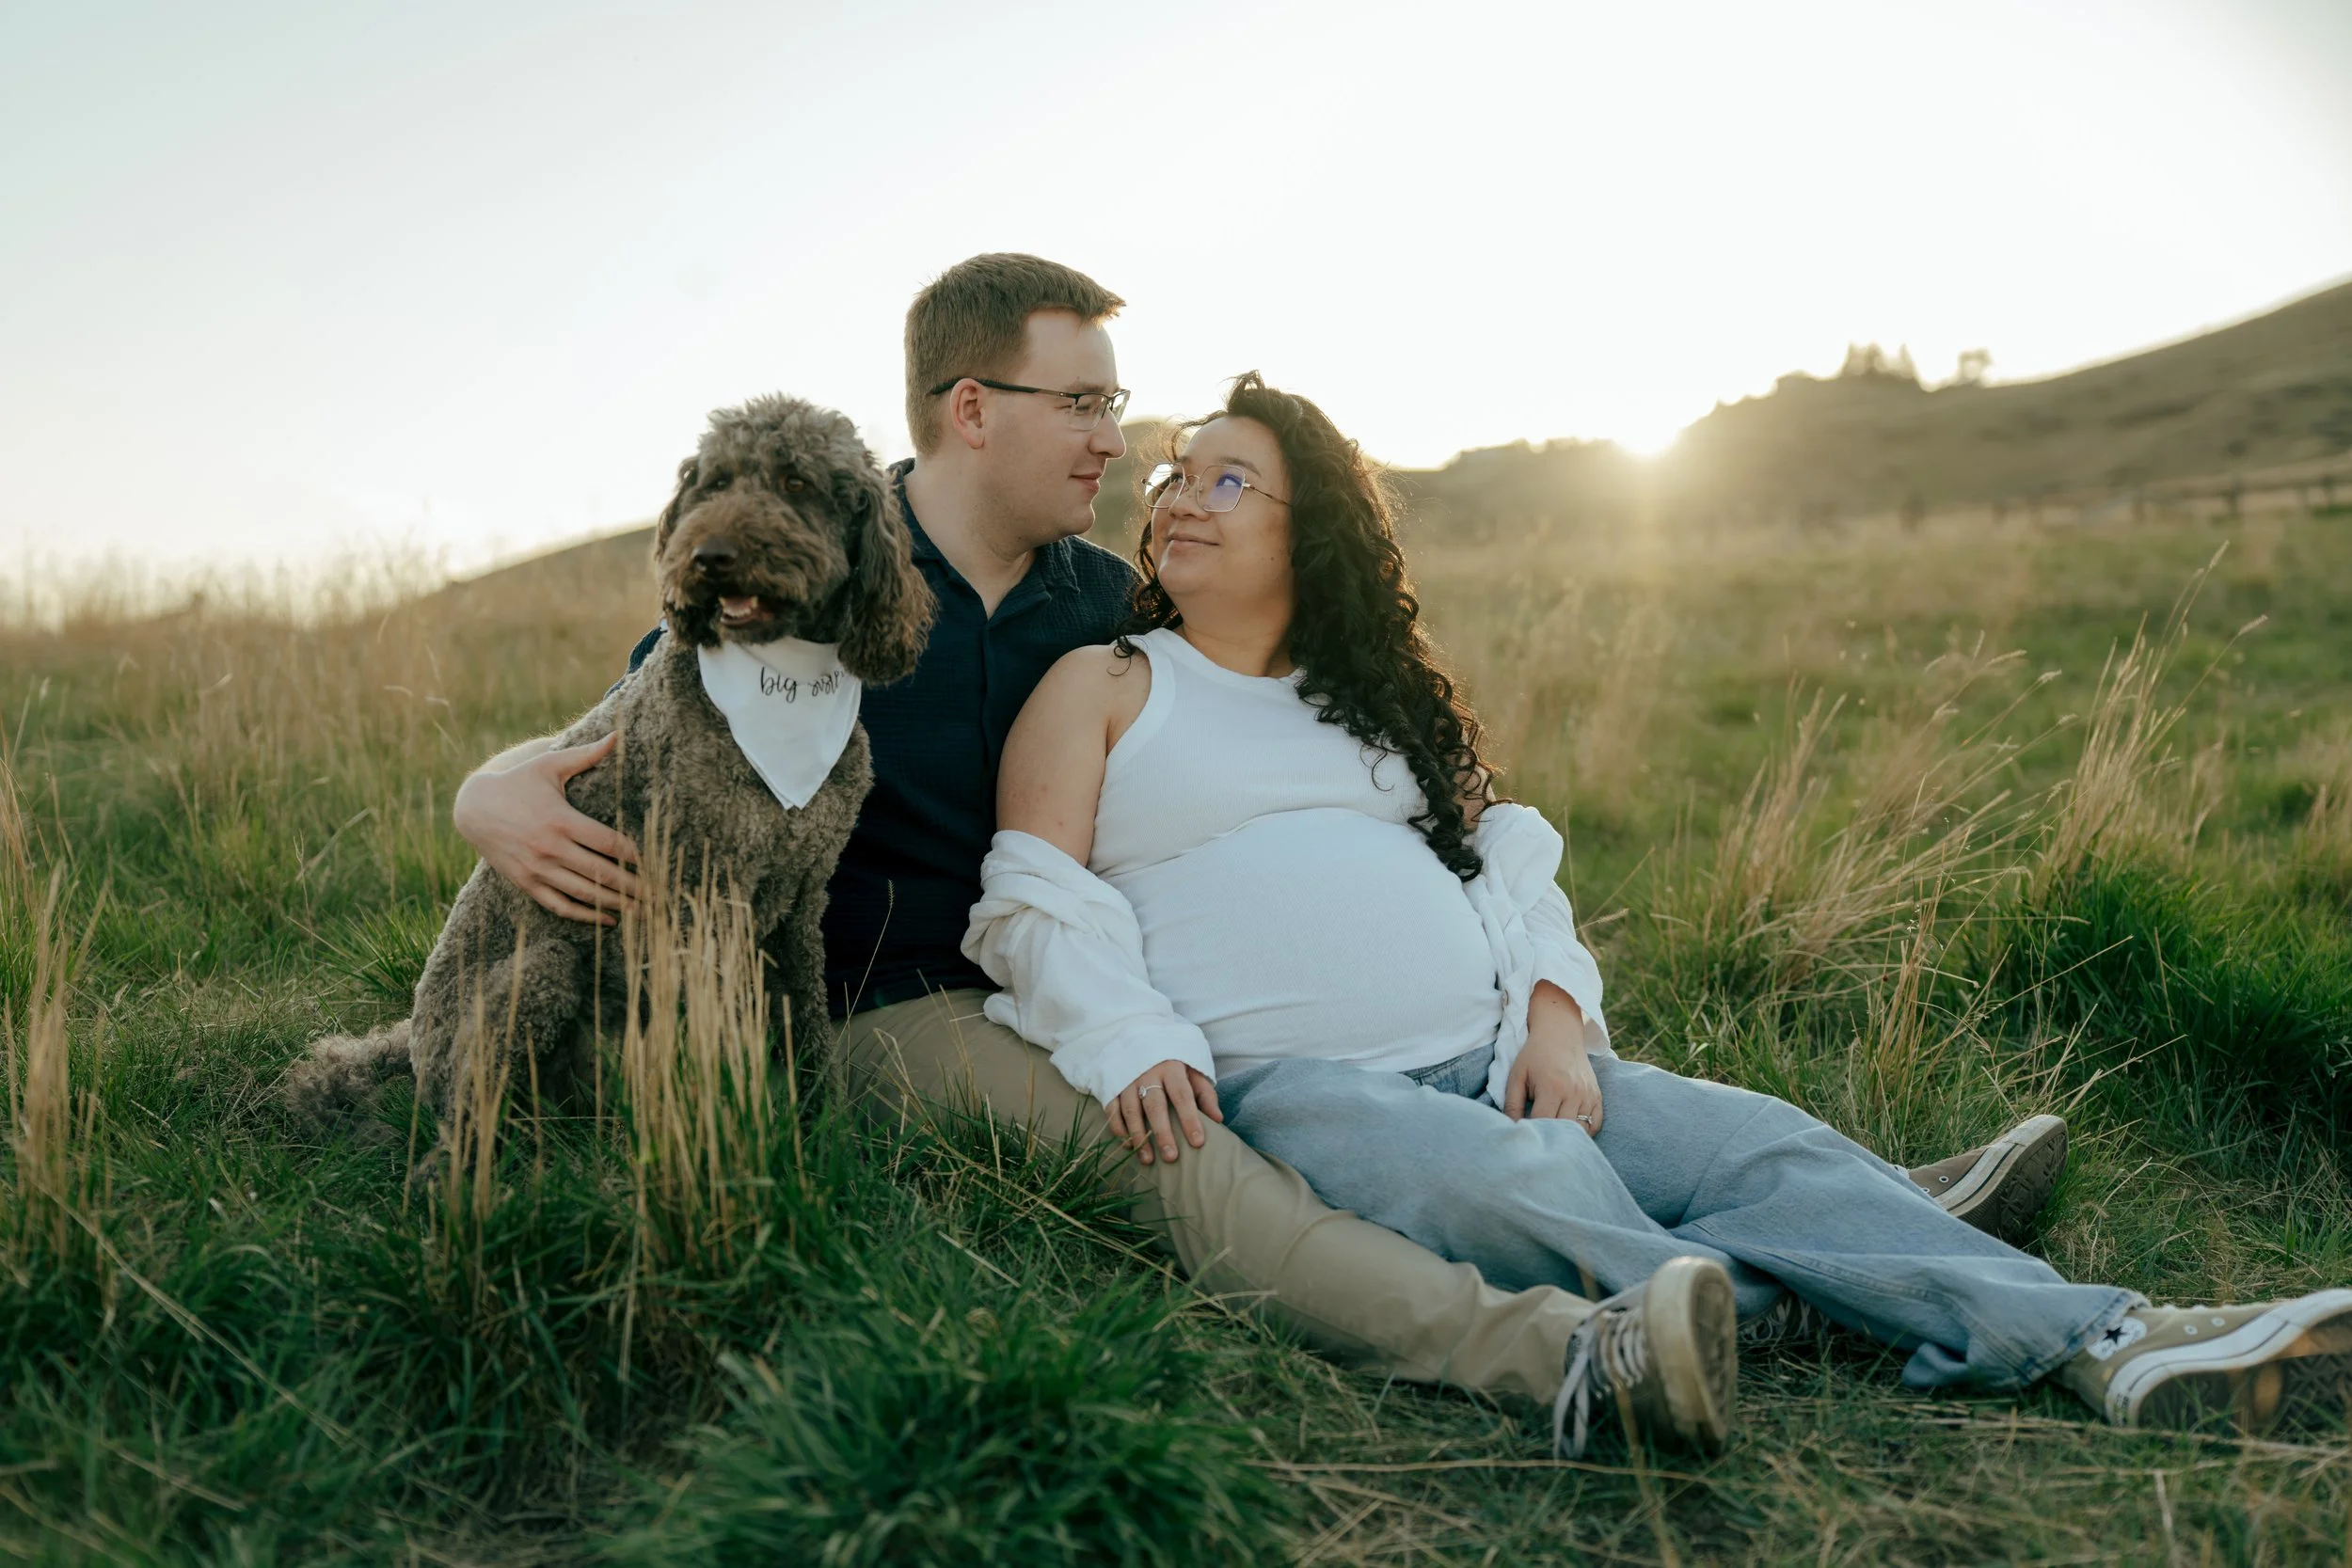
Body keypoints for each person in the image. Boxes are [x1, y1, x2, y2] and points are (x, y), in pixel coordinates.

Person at [452, 253, 2073, 1452]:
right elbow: (624, 720)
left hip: (1117, 987)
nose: (1113, 436)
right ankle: (1570, 1357)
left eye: (1116, 409)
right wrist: (487, 793)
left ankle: (1841, 1236)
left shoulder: (1102, 602)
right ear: (971, 408)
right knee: (1195, 1169)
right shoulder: (822, 547)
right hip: (900, 1003)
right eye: (1080, 402)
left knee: (1405, 1101)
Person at [967, 371, 2352, 1456]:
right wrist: (1130, 1036)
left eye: (1228, 477)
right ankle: (1865, 1255)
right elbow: (1034, 898)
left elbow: (1508, 860)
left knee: (1758, 1135)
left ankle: (2121, 1340)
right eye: (1173, 474)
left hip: (1495, 1050)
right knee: (1528, 1185)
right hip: (1297, 1083)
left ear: (1307, 527)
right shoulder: (1106, 684)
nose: (1179, 497)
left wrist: (1557, 1023)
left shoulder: (1369, 701)